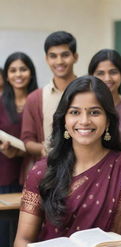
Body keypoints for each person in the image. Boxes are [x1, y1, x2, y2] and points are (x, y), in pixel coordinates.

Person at [14, 75, 121, 247]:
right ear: (64, 119)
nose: (84, 121)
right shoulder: (42, 172)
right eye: (75, 112)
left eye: (94, 112)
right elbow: (22, 241)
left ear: (108, 120)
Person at [0, 52, 38, 247]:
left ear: (31, 73)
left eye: (23, 69)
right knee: (6, 233)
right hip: (5, 173)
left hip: (33, 172)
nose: (18, 74)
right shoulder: (0, 103)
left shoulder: (38, 100)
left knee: (30, 233)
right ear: (6, 75)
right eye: (13, 70)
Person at [21, 30, 78, 158]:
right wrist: (48, 149)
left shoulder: (89, 93)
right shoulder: (34, 98)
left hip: (86, 167)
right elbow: (27, 140)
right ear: (46, 59)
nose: (59, 61)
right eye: (53, 56)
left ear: (75, 57)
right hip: (50, 170)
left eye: (65, 55)